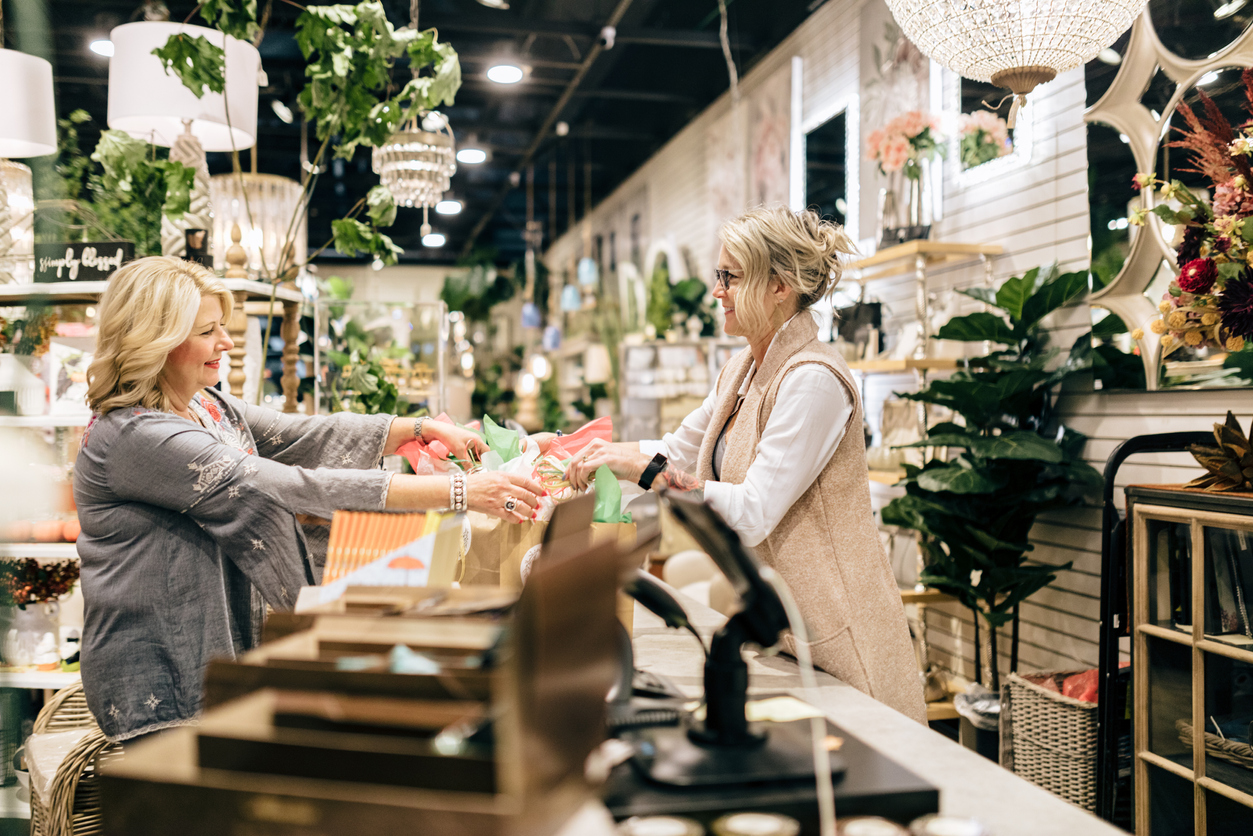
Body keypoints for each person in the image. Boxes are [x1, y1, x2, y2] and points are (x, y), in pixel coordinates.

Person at [74, 257, 543, 742]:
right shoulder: (134, 437)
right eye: (208, 331)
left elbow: (302, 435)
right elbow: (287, 486)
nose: (227, 342)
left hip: (212, 654)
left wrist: (417, 428)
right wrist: (459, 492)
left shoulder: (204, 404)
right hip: (161, 672)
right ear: (158, 340)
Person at [559, 205, 926, 724]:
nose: (717, 292)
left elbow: (753, 511)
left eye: (730, 277)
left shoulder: (813, 379)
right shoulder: (741, 370)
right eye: (718, 276)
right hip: (787, 635)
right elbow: (678, 449)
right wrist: (579, 460)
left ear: (779, 285)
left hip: (842, 638)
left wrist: (639, 470)